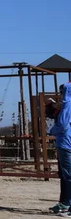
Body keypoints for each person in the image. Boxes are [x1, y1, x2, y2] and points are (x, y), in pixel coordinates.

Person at [49, 82, 71, 215]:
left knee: (68, 176)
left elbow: (62, 124)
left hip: (65, 142)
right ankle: (65, 203)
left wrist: (52, 131)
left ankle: (68, 205)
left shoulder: (67, 105)